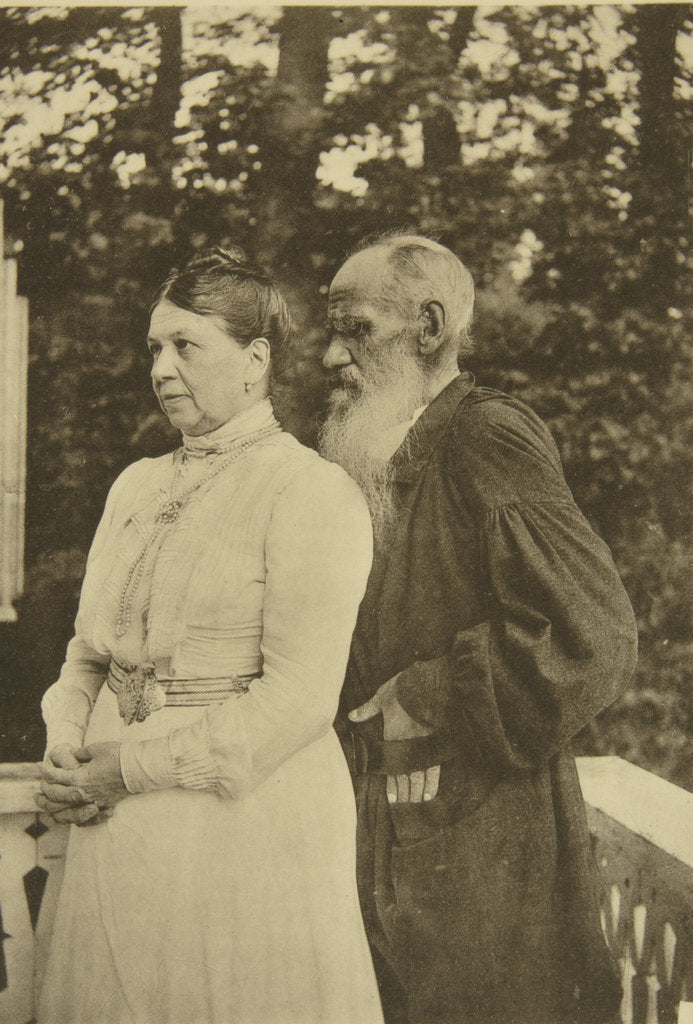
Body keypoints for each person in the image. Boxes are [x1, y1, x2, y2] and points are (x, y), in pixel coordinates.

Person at [35, 247, 384, 1024]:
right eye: (154, 348)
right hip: (113, 825)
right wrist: (64, 741)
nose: (161, 368)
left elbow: (299, 698)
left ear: (255, 359)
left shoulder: (309, 492)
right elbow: (87, 655)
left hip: (243, 824)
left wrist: (129, 769)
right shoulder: (136, 485)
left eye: (186, 347)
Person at [319, 232, 638, 1024]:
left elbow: (593, 631)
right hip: (394, 831)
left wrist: (427, 692)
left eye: (355, 329)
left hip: (482, 846)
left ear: (428, 328)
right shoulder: (388, 450)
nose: (329, 356)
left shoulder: (483, 433)